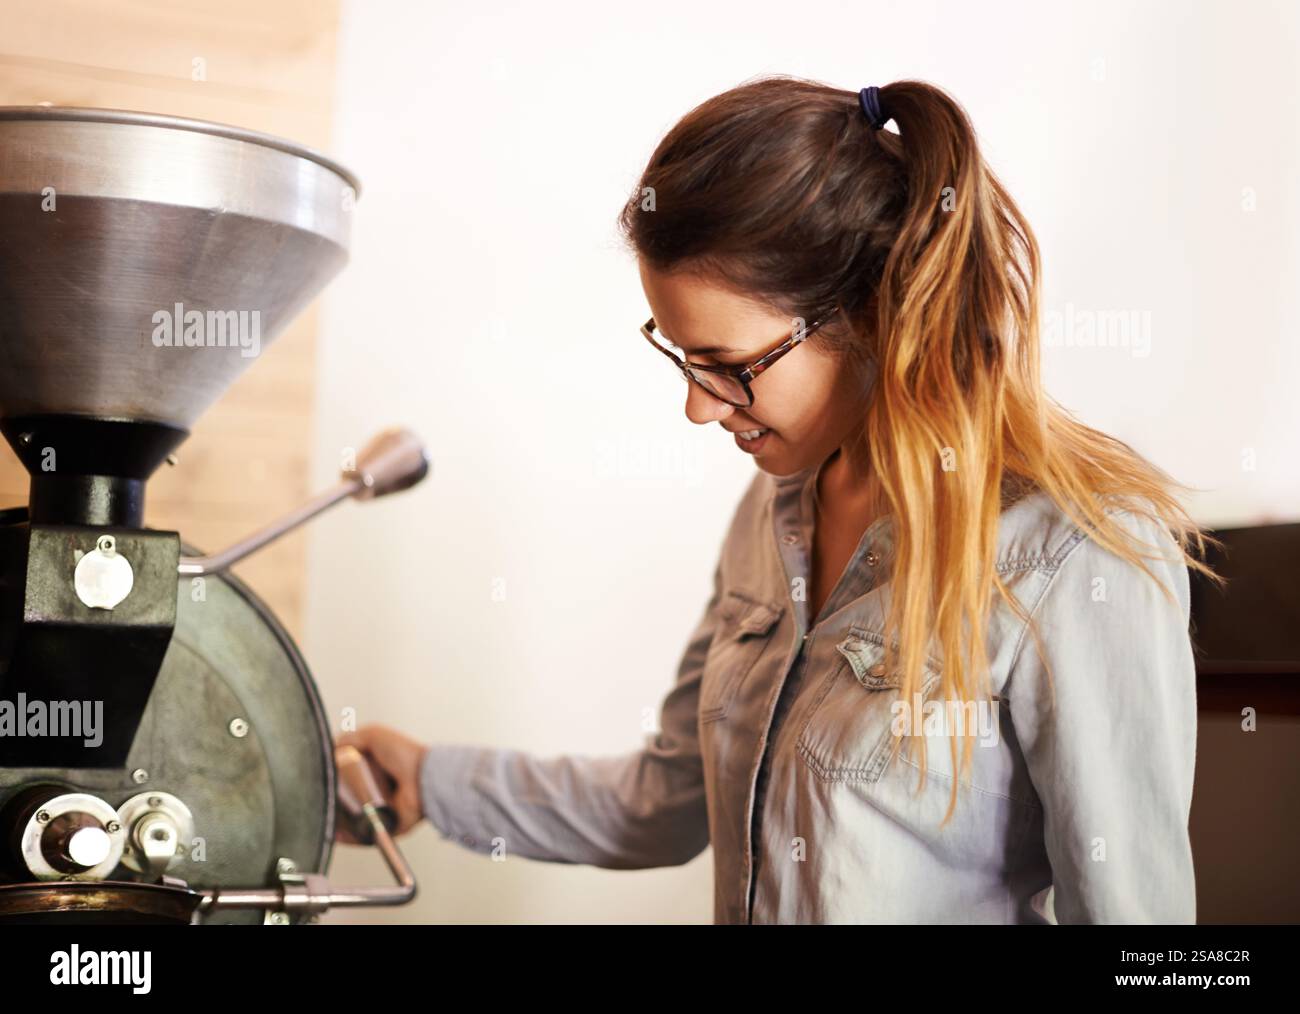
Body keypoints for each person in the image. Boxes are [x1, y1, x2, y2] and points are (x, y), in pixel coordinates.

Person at [336, 76, 1223, 924]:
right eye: (681, 359)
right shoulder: (775, 514)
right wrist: (432, 778)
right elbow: (667, 801)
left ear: (876, 312)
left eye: (730, 367)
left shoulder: (1079, 551)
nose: (697, 407)